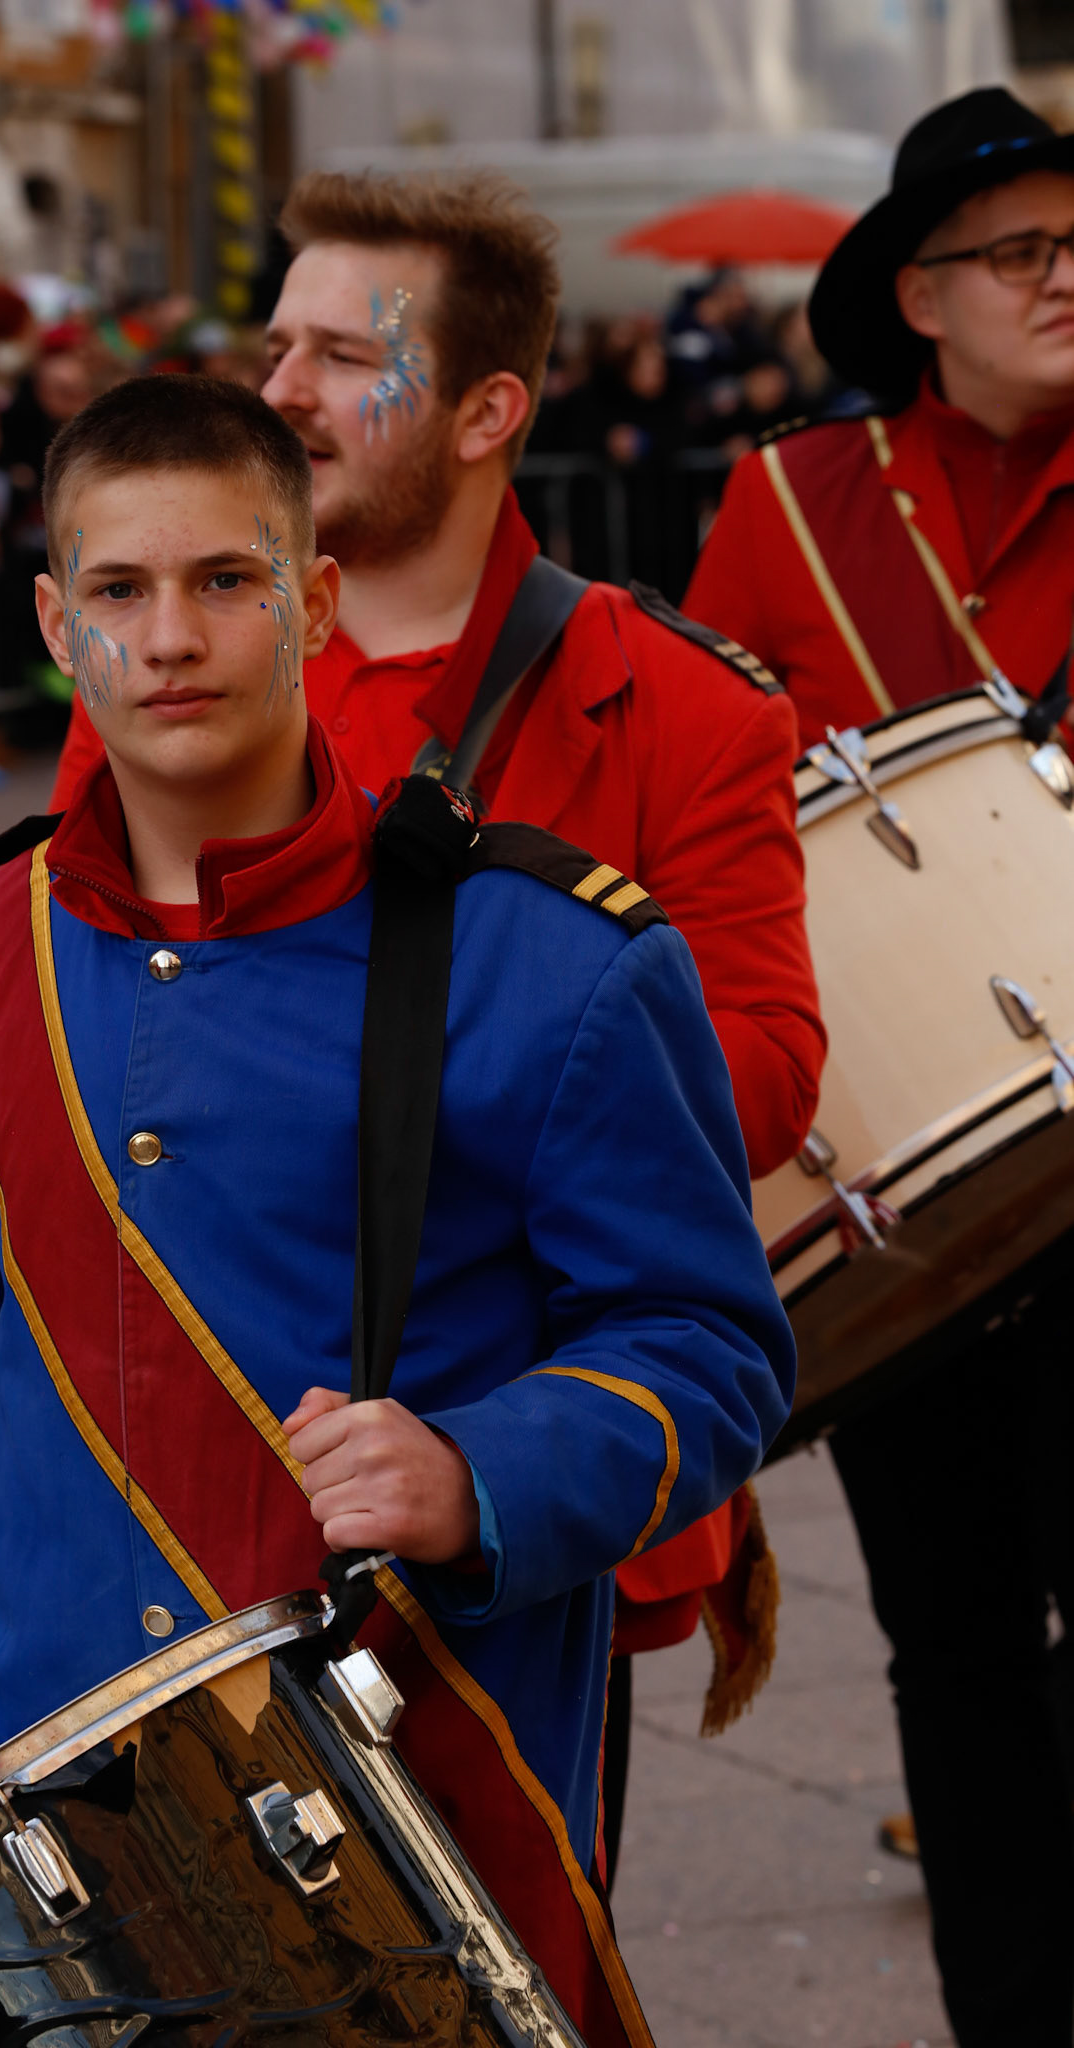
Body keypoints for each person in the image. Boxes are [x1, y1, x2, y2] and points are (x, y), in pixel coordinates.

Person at [0, 373, 794, 2047]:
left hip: (419, 1782)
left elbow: (707, 1346)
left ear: (311, 601)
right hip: (59, 1802)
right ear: (55, 626)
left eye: (225, 580)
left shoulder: (548, 957)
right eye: (118, 589)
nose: (170, 637)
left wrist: (477, 1471)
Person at [50, 170, 826, 1857]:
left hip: (506, 1475)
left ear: (487, 413)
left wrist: (478, 1038)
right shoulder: (180, 663)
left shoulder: (683, 705)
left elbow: (763, 1079)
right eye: (277, 346)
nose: (279, 392)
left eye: (343, 356)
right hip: (191, 1466)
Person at [683, 86, 1074, 2048]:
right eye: (1020, 252)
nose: (1064, 278)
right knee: (952, 1642)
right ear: (918, 297)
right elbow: (707, 804)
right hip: (898, 1173)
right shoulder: (785, 504)